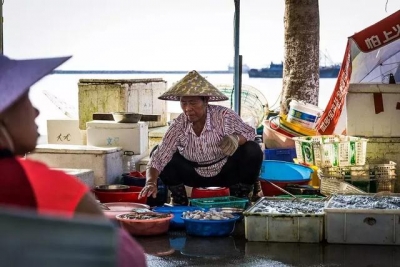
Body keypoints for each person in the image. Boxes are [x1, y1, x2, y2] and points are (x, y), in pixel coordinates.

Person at [0, 54, 147, 267]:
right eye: (26, 98)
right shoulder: (40, 183)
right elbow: (128, 257)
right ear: (4, 111)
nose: (36, 111)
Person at [139, 70, 263, 205]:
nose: (187, 109)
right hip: (193, 173)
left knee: (253, 149)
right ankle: (179, 199)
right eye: (184, 103)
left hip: (225, 171)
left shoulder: (224, 116)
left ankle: (241, 196)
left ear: (206, 100)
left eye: (193, 103)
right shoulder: (179, 124)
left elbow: (250, 132)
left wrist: (237, 139)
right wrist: (150, 182)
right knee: (157, 150)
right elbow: (159, 156)